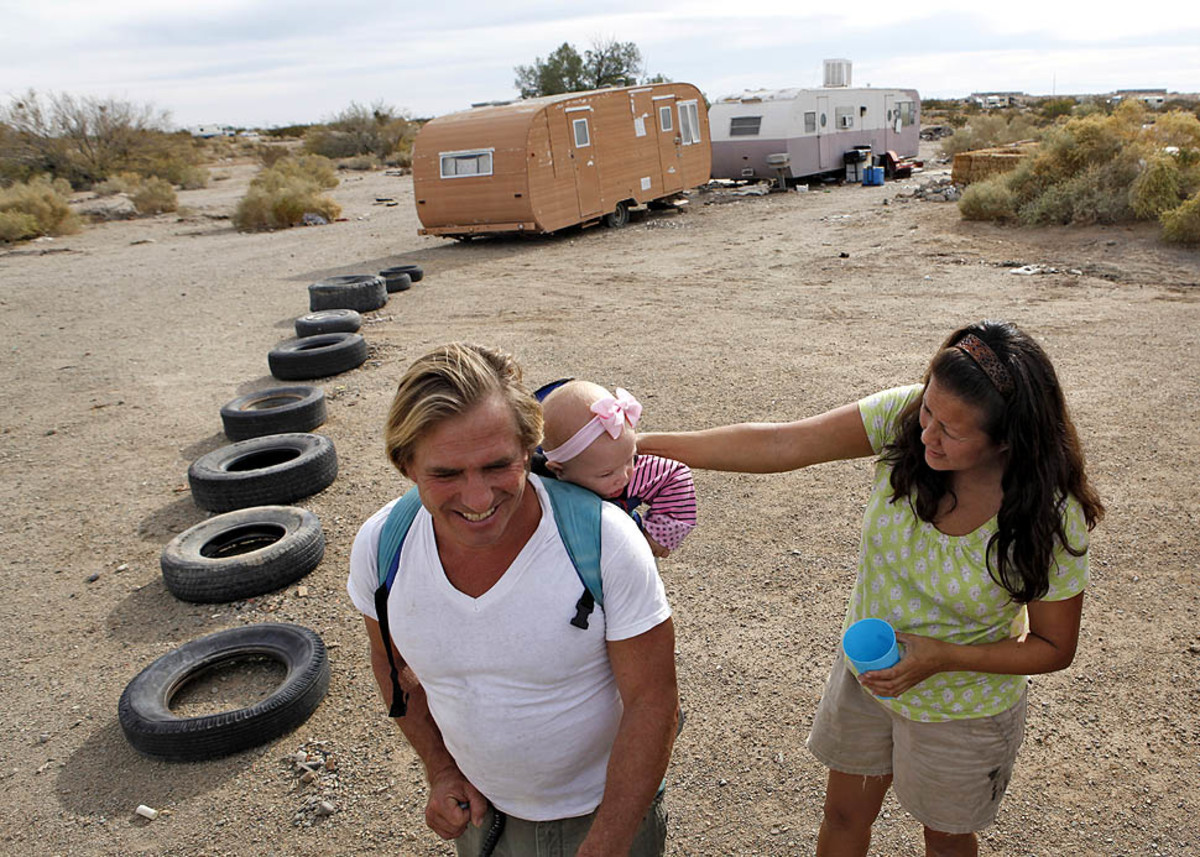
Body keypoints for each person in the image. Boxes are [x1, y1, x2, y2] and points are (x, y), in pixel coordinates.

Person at [637, 320, 1104, 857]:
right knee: (842, 813)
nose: (927, 433)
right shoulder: (905, 420)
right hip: (869, 675)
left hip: (964, 707)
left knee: (947, 837)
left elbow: (1054, 648)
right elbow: (783, 442)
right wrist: (640, 447)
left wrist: (942, 657)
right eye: (929, 408)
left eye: (952, 431)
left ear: (1007, 440)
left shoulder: (1048, 516)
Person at [346, 342, 678, 857]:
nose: (478, 500)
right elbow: (392, 668)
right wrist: (441, 769)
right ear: (406, 465)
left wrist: (610, 839)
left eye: (498, 466)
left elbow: (653, 700)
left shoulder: (604, 541)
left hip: (607, 815)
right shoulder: (381, 547)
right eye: (446, 474)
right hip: (483, 821)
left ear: (530, 451)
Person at [539, 380, 697, 558]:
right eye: (606, 474)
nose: (624, 476)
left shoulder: (625, 469)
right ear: (559, 470)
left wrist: (658, 535)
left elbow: (676, 476)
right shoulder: (537, 490)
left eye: (630, 458)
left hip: (620, 557)